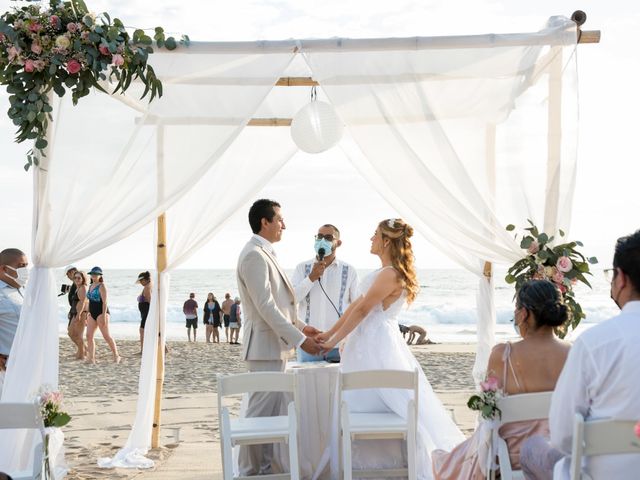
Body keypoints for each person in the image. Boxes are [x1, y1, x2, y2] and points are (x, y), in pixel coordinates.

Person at [317, 219, 464, 478]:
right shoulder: (383, 272)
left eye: (375, 235)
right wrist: (330, 334)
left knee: (379, 400)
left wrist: (333, 340)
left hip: (375, 345)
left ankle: (382, 467)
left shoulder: (390, 274)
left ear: (386, 241)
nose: (371, 239)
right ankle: (373, 465)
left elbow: (363, 311)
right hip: (366, 342)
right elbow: (353, 308)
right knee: (367, 400)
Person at [520, 230, 640, 480]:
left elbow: (563, 435)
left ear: (621, 279)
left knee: (531, 448)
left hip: (599, 475)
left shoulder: (595, 344)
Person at [431, 279, 570, 479]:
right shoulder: (574, 352)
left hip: (512, 457)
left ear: (524, 314)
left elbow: (489, 411)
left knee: (453, 461)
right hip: (561, 454)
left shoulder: (503, 354)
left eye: (516, 310)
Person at [236, 199, 322, 476]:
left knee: (273, 417)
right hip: (263, 348)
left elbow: (280, 302)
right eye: (280, 219)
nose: (284, 224)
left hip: (274, 347)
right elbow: (265, 306)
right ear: (265, 222)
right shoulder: (253, 255)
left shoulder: (265, 253)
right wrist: (299, 339)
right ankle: (250, 472)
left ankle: (266, 470)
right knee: (259, 417)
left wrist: (302, 325)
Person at [292, 224, 358, 362]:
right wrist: (311, 278)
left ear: (338, 243)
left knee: (339, 384)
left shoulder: (349, 270)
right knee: (307, 383)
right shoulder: (302, 268)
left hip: (340, 344)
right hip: (309, 344)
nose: (323, 241)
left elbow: (356, 307)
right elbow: (291, 300)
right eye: (320, 237)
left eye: (328, 237)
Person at [0, 248, 28, 372]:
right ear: (4, 269)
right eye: (21, 266)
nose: (25, 271)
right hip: (7, 367)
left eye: (26, 266)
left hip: (27, 362)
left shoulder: (24, 290)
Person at [86, 266, 120, 364]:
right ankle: (91, 358)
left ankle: (116, 355)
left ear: (100, 275)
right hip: (92, 313)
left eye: (96, 274)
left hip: (101, 312)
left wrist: (104, 316)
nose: (94, 275)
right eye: (92, 274)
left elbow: (105, 302)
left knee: (106, 336)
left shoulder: (102, 286)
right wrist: (87, 313)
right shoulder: (90, 285)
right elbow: (89, 301)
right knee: (89, 336)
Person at [68, 270, 89, 360]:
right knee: (71, 333)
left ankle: (81, 355)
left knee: (78, 335)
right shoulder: (78, 287)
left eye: (79, 278)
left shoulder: (83, 287)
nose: (77, 279)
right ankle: (85, 350)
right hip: (75, 312)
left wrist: (78, 315)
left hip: (80, 313)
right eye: (75, 277)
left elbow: (83, 302)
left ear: (83, 279)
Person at [65, 266, 84, 359]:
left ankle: (83, 352)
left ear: (72, 272)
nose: (68, 276)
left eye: (67, 274)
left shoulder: (81, 285)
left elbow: (83, 300)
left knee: (75, 333)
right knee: (71, 333)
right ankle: (82, 350)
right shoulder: (75, 285)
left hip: (78, 311)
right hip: (73, 311)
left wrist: (80, 313)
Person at [136, 271, 152, 353]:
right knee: (153, 331)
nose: (141, 282)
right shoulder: (149, 286)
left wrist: (151, 312)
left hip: (147, 311)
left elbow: (150, 300)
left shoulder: (147, 287)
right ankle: (165, 349)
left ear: (146, 279)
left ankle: (143, 351)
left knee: (142, 330)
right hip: (145, 312)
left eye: (142, 280)